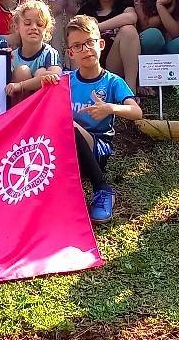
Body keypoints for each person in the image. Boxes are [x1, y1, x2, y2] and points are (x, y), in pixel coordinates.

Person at [36, 15, 143, 223]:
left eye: (89, 42)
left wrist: (110, 108)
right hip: (65, 149)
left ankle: (102, 189)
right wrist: (47, 85)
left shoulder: (112, 81)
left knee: (68, 125)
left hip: (97, 148)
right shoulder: (65, 81)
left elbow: (136, 112)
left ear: (101, 44)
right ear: (70, 53)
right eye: (77, 46)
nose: (85, 49)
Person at [77, 0, 141, 93]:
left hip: (117, 63)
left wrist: (96, 27)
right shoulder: (86, 10)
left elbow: (131, 17)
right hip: (95, 67)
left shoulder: (124, 5)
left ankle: (129, 91)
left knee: (128, 30)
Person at [5, 0, 62, 102]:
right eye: (27, 23)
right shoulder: (12, 55)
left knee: (42, 73)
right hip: (18, 105)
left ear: (47, 29)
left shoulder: (49, 53)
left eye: (40, 24)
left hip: (41, 105)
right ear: (17, 27)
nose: (34, 27)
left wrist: (21, 85)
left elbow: (55, 75)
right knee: (22, 71)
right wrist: (2, 60)